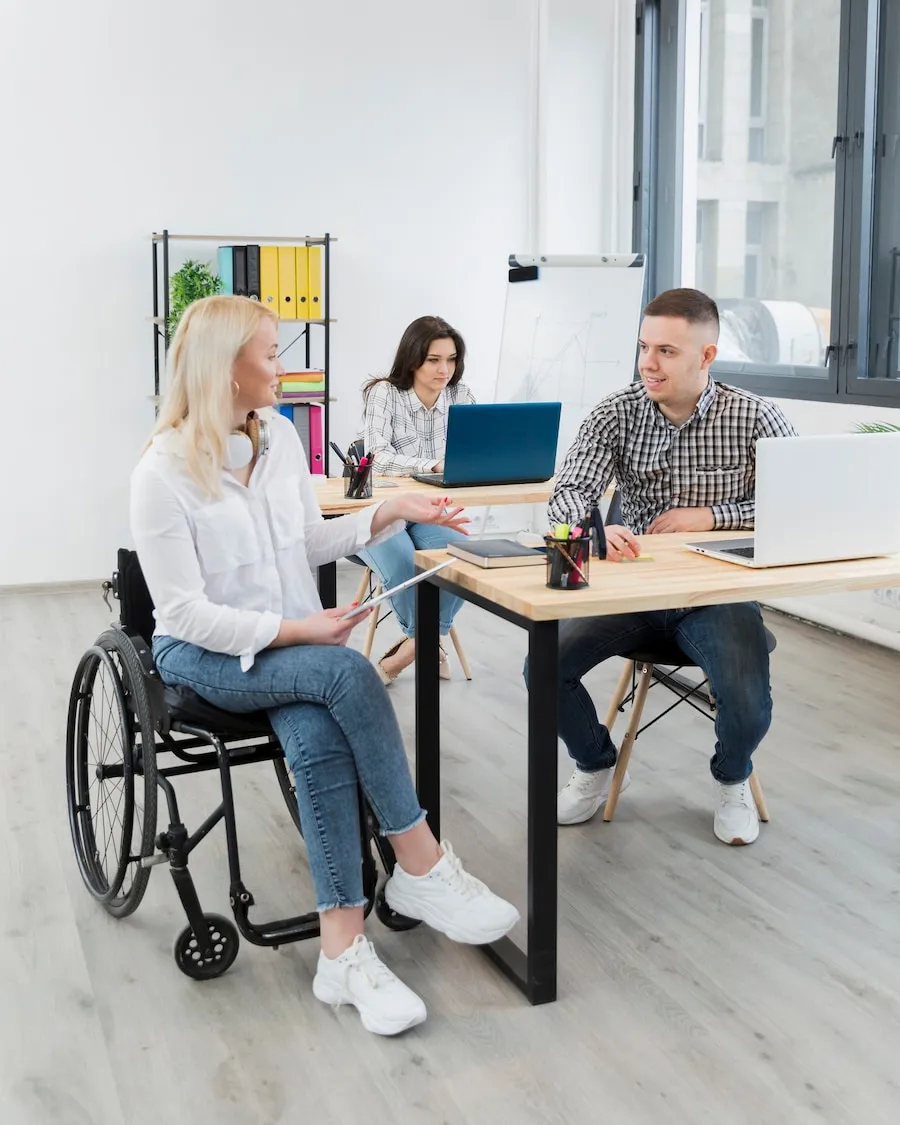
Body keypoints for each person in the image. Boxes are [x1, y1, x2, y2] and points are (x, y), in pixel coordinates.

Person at [131, 295, 518, 1036]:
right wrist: (297, 629)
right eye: (271, 352)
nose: (283, 365)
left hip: (290, 652)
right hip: (205, 657)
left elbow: (309, 540)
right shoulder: (161, 473)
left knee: (315, 734)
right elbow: (184, 614)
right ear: (226, 367)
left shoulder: (278, 438)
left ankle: (341, 952)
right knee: (347, 673)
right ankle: (421, 862)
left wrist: (390, 512)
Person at [535, 287, 797, 846]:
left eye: (666, 351)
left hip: (716, 595)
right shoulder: (616, 412)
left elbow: (798, 503)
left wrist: (711, 515)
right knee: (544, 667)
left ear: (707, 356)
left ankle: (732, 779)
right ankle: (595, 764)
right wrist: (596, 529)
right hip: (632, 592)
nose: (648, 364)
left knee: (747, 703)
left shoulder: (755, 416)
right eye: (643, 347)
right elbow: (568, 494)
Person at [358, 315, 474, 684]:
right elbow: (378, 457)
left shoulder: (461, 396)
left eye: (451, 359)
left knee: (463, 558)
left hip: (433, 510)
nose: (444, 370)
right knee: (402, 561)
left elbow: (473, 455)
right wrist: (433, 464)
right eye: (434, 360)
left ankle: (410, 650)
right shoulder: (385, 393)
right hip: (382, 510)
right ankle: (427, 643)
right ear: (412, 360)